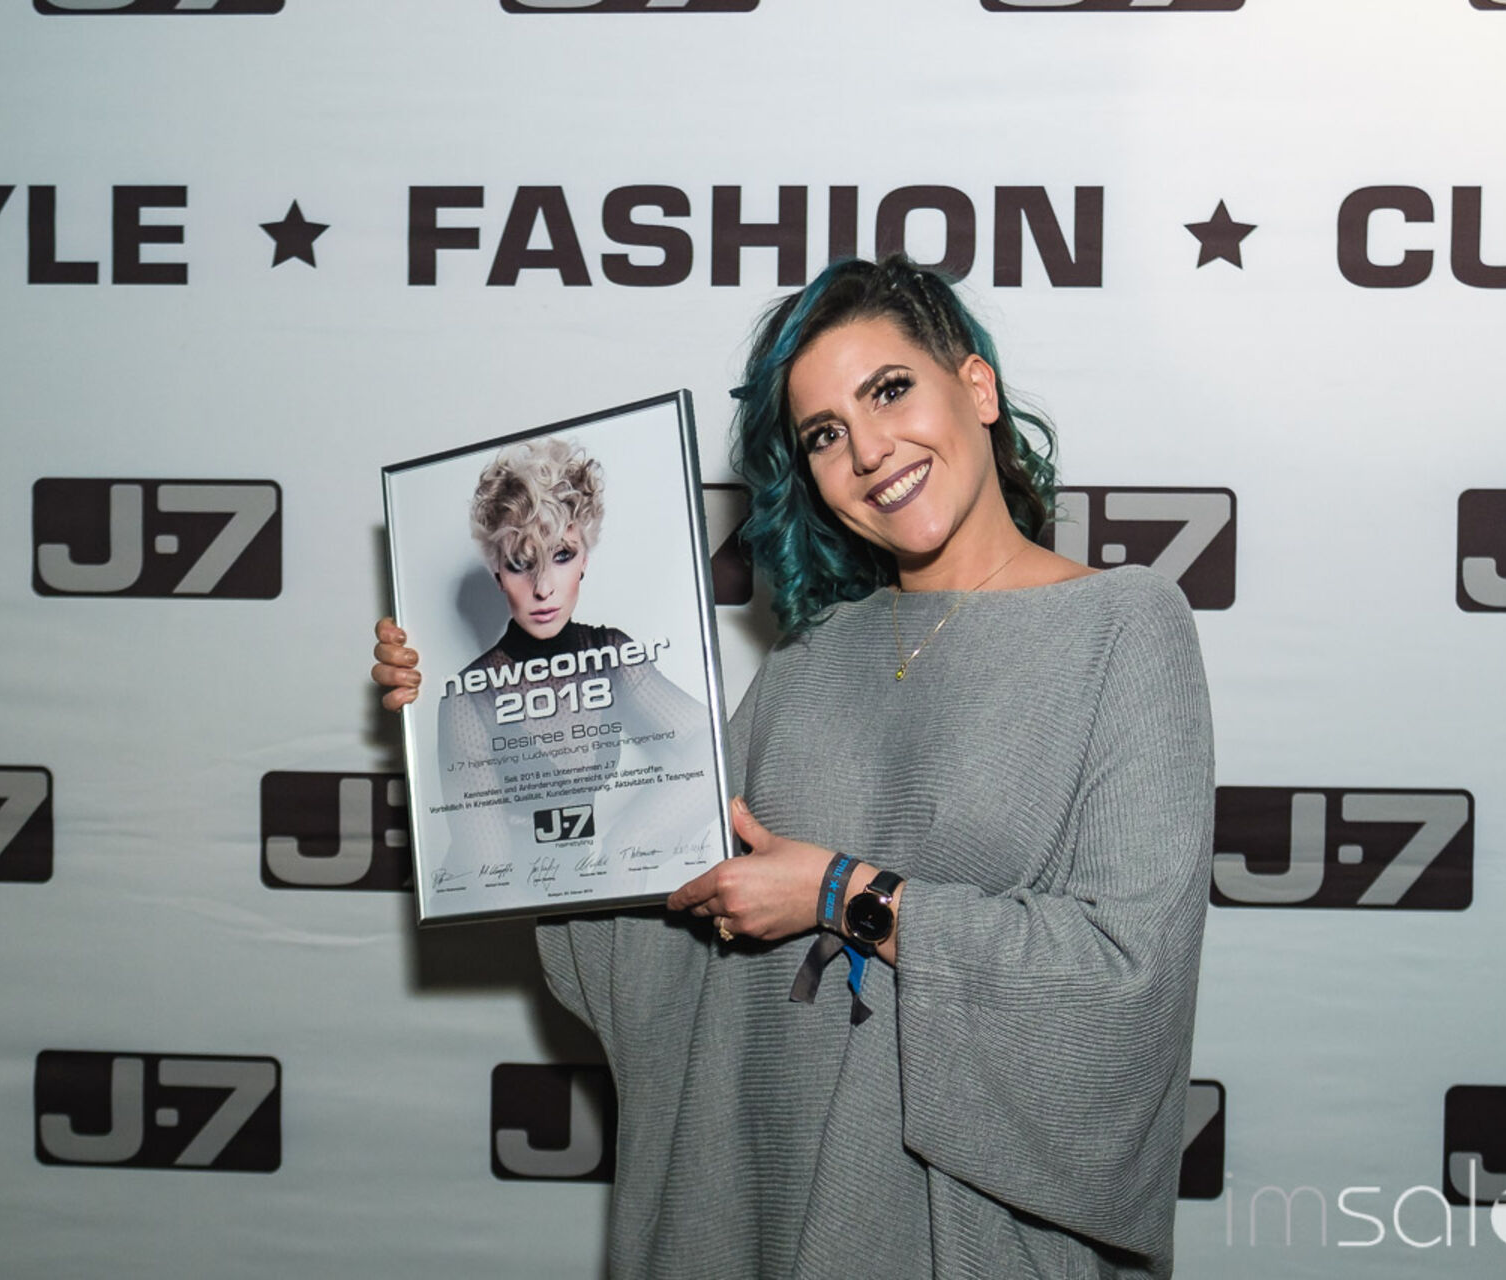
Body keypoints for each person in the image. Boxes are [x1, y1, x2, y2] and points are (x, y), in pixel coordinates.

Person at [373, 255, 1213, 1278]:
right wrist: (479, 716)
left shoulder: (1124, 627)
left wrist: (839, 893)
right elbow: (651, 896)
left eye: (889, 390)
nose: (868, 450)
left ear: (977, 387)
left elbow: (1126, 980)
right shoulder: (813, 653)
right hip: (766, 1199)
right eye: (824, 433)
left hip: (963, 1233)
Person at [433, 436, 708, 869]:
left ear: (585, 559)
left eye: (561, 555)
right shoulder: (470, 698)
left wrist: (633, 840)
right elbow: (489, 875)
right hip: (514, 894)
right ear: (497, 572)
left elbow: (712, 745)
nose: (543, 588)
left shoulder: (610, 655)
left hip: (583, 879)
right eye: (521, 563)